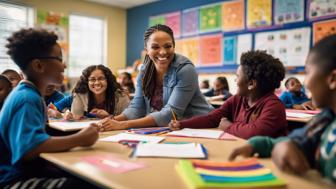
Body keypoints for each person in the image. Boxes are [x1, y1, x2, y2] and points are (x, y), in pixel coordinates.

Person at [228, 35, 336, 183]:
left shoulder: (273, 104)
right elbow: (300, 140)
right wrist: (262, 145)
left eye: (308, 72)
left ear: (333, 79)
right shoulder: (327, 120)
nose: (305, 83)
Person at [0, 28, 99, 188]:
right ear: (38, 66)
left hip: (26, 173)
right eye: (59, 58)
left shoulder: (30, 94)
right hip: (14, 181)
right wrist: (80, 139)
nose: (64, 65)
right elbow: (29, 148)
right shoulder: (27, 98)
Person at [97, 24, 213, 131]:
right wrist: (111, 121)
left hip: (201, 127)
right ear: (147, 50)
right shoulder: (144, 71)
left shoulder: (185, 69)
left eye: (168, 46)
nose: (162, 52)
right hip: (169, 129)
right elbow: (137, 108)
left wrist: (122, 125)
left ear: (174, 46)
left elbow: (171, 114)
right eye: (155, 47)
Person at [169, 50, 287, 139]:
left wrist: (228, 127)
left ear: (251, 84)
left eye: (237, 77)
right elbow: (213, 118)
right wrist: (182, 124)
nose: (235, 81)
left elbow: (254, 133)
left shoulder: (274, 106)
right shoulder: (237, 99)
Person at [64, 65, 130, 120]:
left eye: (101, 78)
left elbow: (128, 119)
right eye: (92, 79)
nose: (97, 83)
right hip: (88, 131)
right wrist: (68, 115)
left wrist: (109, 116)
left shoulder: (121, 96)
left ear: (108, 80)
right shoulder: (80, 94)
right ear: (87, 82)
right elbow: (76, 118)